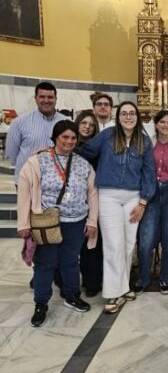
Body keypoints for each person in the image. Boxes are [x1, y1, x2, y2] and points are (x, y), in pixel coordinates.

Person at [16, 120, 98, 328]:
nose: (69, 141)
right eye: (65, 137)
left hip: (76, 221)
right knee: (46, 263)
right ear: (55, 138)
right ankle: (41, 304)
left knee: (70, 261)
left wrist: (92, 221)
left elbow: (93, 193)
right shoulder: (38, 161)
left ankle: (71, 295)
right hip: (47, 223)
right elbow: (24, 191)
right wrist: (23, 223)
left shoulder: (82, 163)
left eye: (73, 138)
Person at [77, 101, 156, 313]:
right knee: (113, 244)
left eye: (132, 113)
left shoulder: (144, 141)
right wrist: (61, 147)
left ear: (137, 117)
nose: (128, 117)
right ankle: (113, 293)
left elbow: (149, 173)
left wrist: (143, 202)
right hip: (109, 197)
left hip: (133, 198)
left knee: (128, 244)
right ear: (118, 116)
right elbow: (86, 151)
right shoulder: (107, 135)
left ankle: (124, 287)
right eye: (124, 114)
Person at [135, 109, 168, 295]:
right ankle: (143, 278)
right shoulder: (147, 143)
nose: (165, 125)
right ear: (156, 124)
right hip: (151, 193)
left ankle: (167, 278)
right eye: (162, 122)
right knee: (146, 239)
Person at [5, 81, 66, 184]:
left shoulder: (66, 122)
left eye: (50, 97)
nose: (46, 100)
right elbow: (12, 155)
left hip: (56, 183)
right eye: (42, 97)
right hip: (27, 181)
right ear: (36, 99)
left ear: (56, 99)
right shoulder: (20, 122)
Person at [76, 110, 103, 297]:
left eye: (91, 125)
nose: (87, 127)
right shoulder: (68, 142)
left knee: (92, 241)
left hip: (93, 196)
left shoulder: (98, 146)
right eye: (84, 123)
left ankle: (92, 280)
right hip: (73, 199)